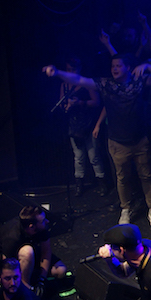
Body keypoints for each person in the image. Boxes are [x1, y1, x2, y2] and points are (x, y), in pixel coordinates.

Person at [43, 54, 151, 226]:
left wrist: (147, 67)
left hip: (139, 139)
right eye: (113, 66)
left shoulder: (138, 82)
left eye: (118, 65)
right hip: (117, 141)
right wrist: (57, 72)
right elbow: (80, 79)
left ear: (127, 67)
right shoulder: (106, 84)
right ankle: (125, 209)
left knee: (146, 176)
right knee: (122, 178)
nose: (114, 69)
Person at [58, 57, 108, 197]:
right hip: (74, 124)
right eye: (68, 69)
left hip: (89, 123)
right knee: (78, 156)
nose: (71, 72)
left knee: (94, 156)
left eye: (73, 69)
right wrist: (66, 106)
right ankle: (79, 184)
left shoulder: (86, 83)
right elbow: (61, 103)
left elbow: (96, 102)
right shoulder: (65, 85)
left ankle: (102, 182)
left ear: (79, 69)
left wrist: (80, 103)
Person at [0, 205, 66, 298]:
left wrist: (41, 280)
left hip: (30, 249)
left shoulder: (42, 228)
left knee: (60, 271)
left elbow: (46, 252)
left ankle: (30, 274)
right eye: (42, 221)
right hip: (9, 254)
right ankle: (24, 288)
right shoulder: (13, 237)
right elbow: (7, 264)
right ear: (31, 227)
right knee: (27, 252)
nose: (47, 221)